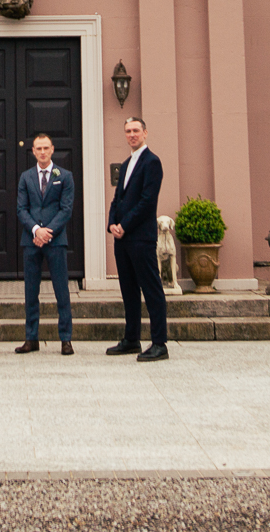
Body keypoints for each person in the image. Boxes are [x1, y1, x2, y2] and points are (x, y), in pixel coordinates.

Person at [106, 115, 168, 361]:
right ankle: (131, 338)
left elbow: (147, 201)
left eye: (135, 130)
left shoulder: (152, 162)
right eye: (128, 131)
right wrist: (112, 223)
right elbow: (117, 199)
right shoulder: (126, 163)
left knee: (151, 289)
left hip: (141, 237)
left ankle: (159, 343)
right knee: (128, 290)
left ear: (145, 133)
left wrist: (125, 225)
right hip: (122, 239)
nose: (131, 135)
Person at [15, 131, 75, 354]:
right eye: (38, 148)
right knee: (31, 291)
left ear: (52, 150)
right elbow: (21, 208)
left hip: (56, 240)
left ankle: (66, 338)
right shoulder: (26, 177)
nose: (42, 152)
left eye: (45, 148)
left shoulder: (65, 176)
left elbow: (66, 209)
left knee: (62, 290)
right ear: (33, 151)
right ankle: (31, 338)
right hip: (31, 241)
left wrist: (48, 231)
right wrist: (36, 230)